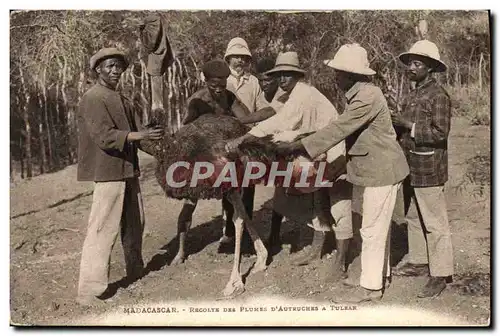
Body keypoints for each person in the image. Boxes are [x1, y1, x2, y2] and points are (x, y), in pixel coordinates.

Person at [276, 44, 410, 303]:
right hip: (376, 167)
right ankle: (378, 277)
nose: (335, 77)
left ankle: (371, 288)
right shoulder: (359, 94)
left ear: (351, 74)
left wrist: (299, 146)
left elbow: (339, 129)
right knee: (378, 227)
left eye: (338, 73)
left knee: (371, 229)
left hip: (382, 169)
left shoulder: (366, 96)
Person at [226, 51, 352, 280]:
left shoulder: (303, 94)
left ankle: (340, 260)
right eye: (280, 75)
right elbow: (277, 119)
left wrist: (244, 138)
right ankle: (319, 246)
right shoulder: (290, 95)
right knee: (315, 199)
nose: (283, 80)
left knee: (335, 202)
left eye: (288, 75)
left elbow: (281, 122)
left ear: (297, 76)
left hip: (332, 148)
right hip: (317, 147)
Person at [76, 48, 164, 306]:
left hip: (129, 169)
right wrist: (140, 136)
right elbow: (105, 137)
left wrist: (159, 140)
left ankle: (135, 269)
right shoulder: (93, 98)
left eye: (119, 67)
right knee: (102, 229)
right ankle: (89, 290)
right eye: (110, 66)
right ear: (98, 70)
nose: (115, 71)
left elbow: (138, 136)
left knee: (135, 223)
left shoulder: (122, 100)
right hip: (108, 171)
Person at [391, 40, 454, 298]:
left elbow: (441, 133)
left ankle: (440, 273)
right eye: (410, 63)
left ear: (429, 68)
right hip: (411, 165)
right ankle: (419, 260)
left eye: (417, 63)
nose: (411, 68)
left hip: (428, 165)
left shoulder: (438, 95)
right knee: (414, 215)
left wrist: (409, 125)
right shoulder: (414, 93)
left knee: (435, 221)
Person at [219, 38, 276, 245]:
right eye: (236, 57)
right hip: (226, 137)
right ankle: (229, 230)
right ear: (228, 58)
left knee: (248, 182)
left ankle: (246, 227)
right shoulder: (222, 80)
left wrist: (255, 125)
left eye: (243, 57)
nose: (239, 61)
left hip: (248, 137)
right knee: (228, 182)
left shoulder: (253, 82)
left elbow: (262, 107)